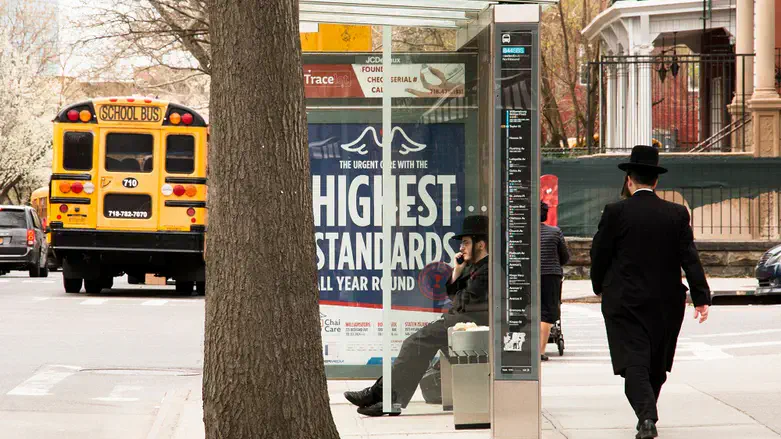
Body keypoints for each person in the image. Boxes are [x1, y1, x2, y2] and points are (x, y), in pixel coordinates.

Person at [590, 145, 711, 439]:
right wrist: (701, 296)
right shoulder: (676, 213)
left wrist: (599, 287)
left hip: (624, 300)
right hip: (666, 302)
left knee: (634, 362)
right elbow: (689, 257)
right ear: (656, 181)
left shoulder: (615, 212)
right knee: (656, 364)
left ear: (629, 180)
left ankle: (646, 417)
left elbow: (600, 254)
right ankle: (647, 414)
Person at [344, 215, 489, 417]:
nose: (461, 248)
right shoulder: (472, 266)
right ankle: (384, 396)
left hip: (471, 328)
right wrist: (457, 269)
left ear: (480, 244)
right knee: (418, 346)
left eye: (466, 242)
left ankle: (383, 396)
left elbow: (460, 301)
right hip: (458, 324)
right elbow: (453, 294)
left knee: (415, 343)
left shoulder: (487, 270)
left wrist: (457, 288)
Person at [540, 201, 569, 361]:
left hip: (528, 275)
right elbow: (564, 257)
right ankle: (540, 351)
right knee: (547, 311)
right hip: (551, 275)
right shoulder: (555, 232)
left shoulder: (522, 233)